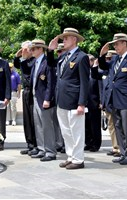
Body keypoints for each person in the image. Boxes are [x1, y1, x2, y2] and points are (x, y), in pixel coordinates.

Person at [48, 28, 90, 169]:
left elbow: (85, 82)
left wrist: (82, 103)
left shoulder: (81, 57)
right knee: (66, 131)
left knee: (76, 131)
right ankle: (71, 156)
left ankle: (78, 160)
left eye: (66, 38)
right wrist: (50, 51)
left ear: (74, 39)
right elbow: (50, 65)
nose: (63, 40)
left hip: (74, 100)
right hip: (62, 99)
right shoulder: (63, 56)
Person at [98, 33, 127, 165]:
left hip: (126, 100)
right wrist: (102, 55)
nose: (115, 46)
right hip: (114, 99)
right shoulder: (116, 59)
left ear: (124, 43)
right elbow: (104, 67)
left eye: (117, 44)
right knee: (118, 128)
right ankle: (123, 153)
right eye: (114, 44)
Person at [29, 39, 57, 161]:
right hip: (36, 97)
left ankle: (50, 151)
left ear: (41, 49)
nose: (32, 51)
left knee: (47, 126)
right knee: (38, 125)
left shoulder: (47, 62)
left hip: (44, 99)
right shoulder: (35, 62)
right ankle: (42, 149)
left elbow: (51, 82)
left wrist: (48, 99)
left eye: (34, 49)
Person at [13, 41, 37, 155]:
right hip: (26, 91)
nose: (24, 52)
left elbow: (28, 68)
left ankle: (37, 145)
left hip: (34, 91)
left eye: (25, 49)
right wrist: (17, 56)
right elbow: (16, 64)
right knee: (27, 119)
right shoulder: (24, 61)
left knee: (34, 119)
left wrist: (25, 55)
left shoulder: (35, 60)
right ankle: (30, 144)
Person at [84, 54, 102, 152]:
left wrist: (101, 101)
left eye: (90, 60)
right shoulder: (84, 72)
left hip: (95, 102)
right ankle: (88, 142)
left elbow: (100, 87)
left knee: (95, 125)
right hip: (85, 102)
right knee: (86, 125)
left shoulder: (96, 73)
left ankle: (96, 144)